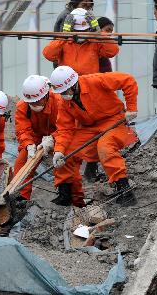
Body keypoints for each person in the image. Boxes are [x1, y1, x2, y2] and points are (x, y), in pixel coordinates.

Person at [49, 66, 138, 207]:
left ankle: (124, 189)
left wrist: (132, 108)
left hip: (113, 120)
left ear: (74, 85)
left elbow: (128, 80)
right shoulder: (64, 102)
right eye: (61, 92)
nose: (64, 95)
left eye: (65, 91)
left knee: (105, 147)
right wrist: (59, 150)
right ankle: (65, 192)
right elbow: (65, 129)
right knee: (67, 152)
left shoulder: (96, 81)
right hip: (89, 128)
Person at [14, 76, 59, 201]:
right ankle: (20, 198)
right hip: (36, 137)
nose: (34, 104)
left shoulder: (58, 102)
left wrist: (53, 138)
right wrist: (28, 145)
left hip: (59, 134)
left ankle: (66, 190)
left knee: (62, 157)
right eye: (31, 102)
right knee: (22, 163)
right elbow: (22, 130)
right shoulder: (22, 106)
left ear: (46, 95)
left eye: (37, 101)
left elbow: (67, 126)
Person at [43, 8, 119, 76]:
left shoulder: (95, 42)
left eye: (84, 31)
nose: (80, 34)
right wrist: (63, 36)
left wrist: (98, 34)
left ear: (89, 29)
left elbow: (113, 51)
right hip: (69, 89)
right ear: (71, 30)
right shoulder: (64, 42)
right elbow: (48, 54)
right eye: (77, 31)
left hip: (90, 87)